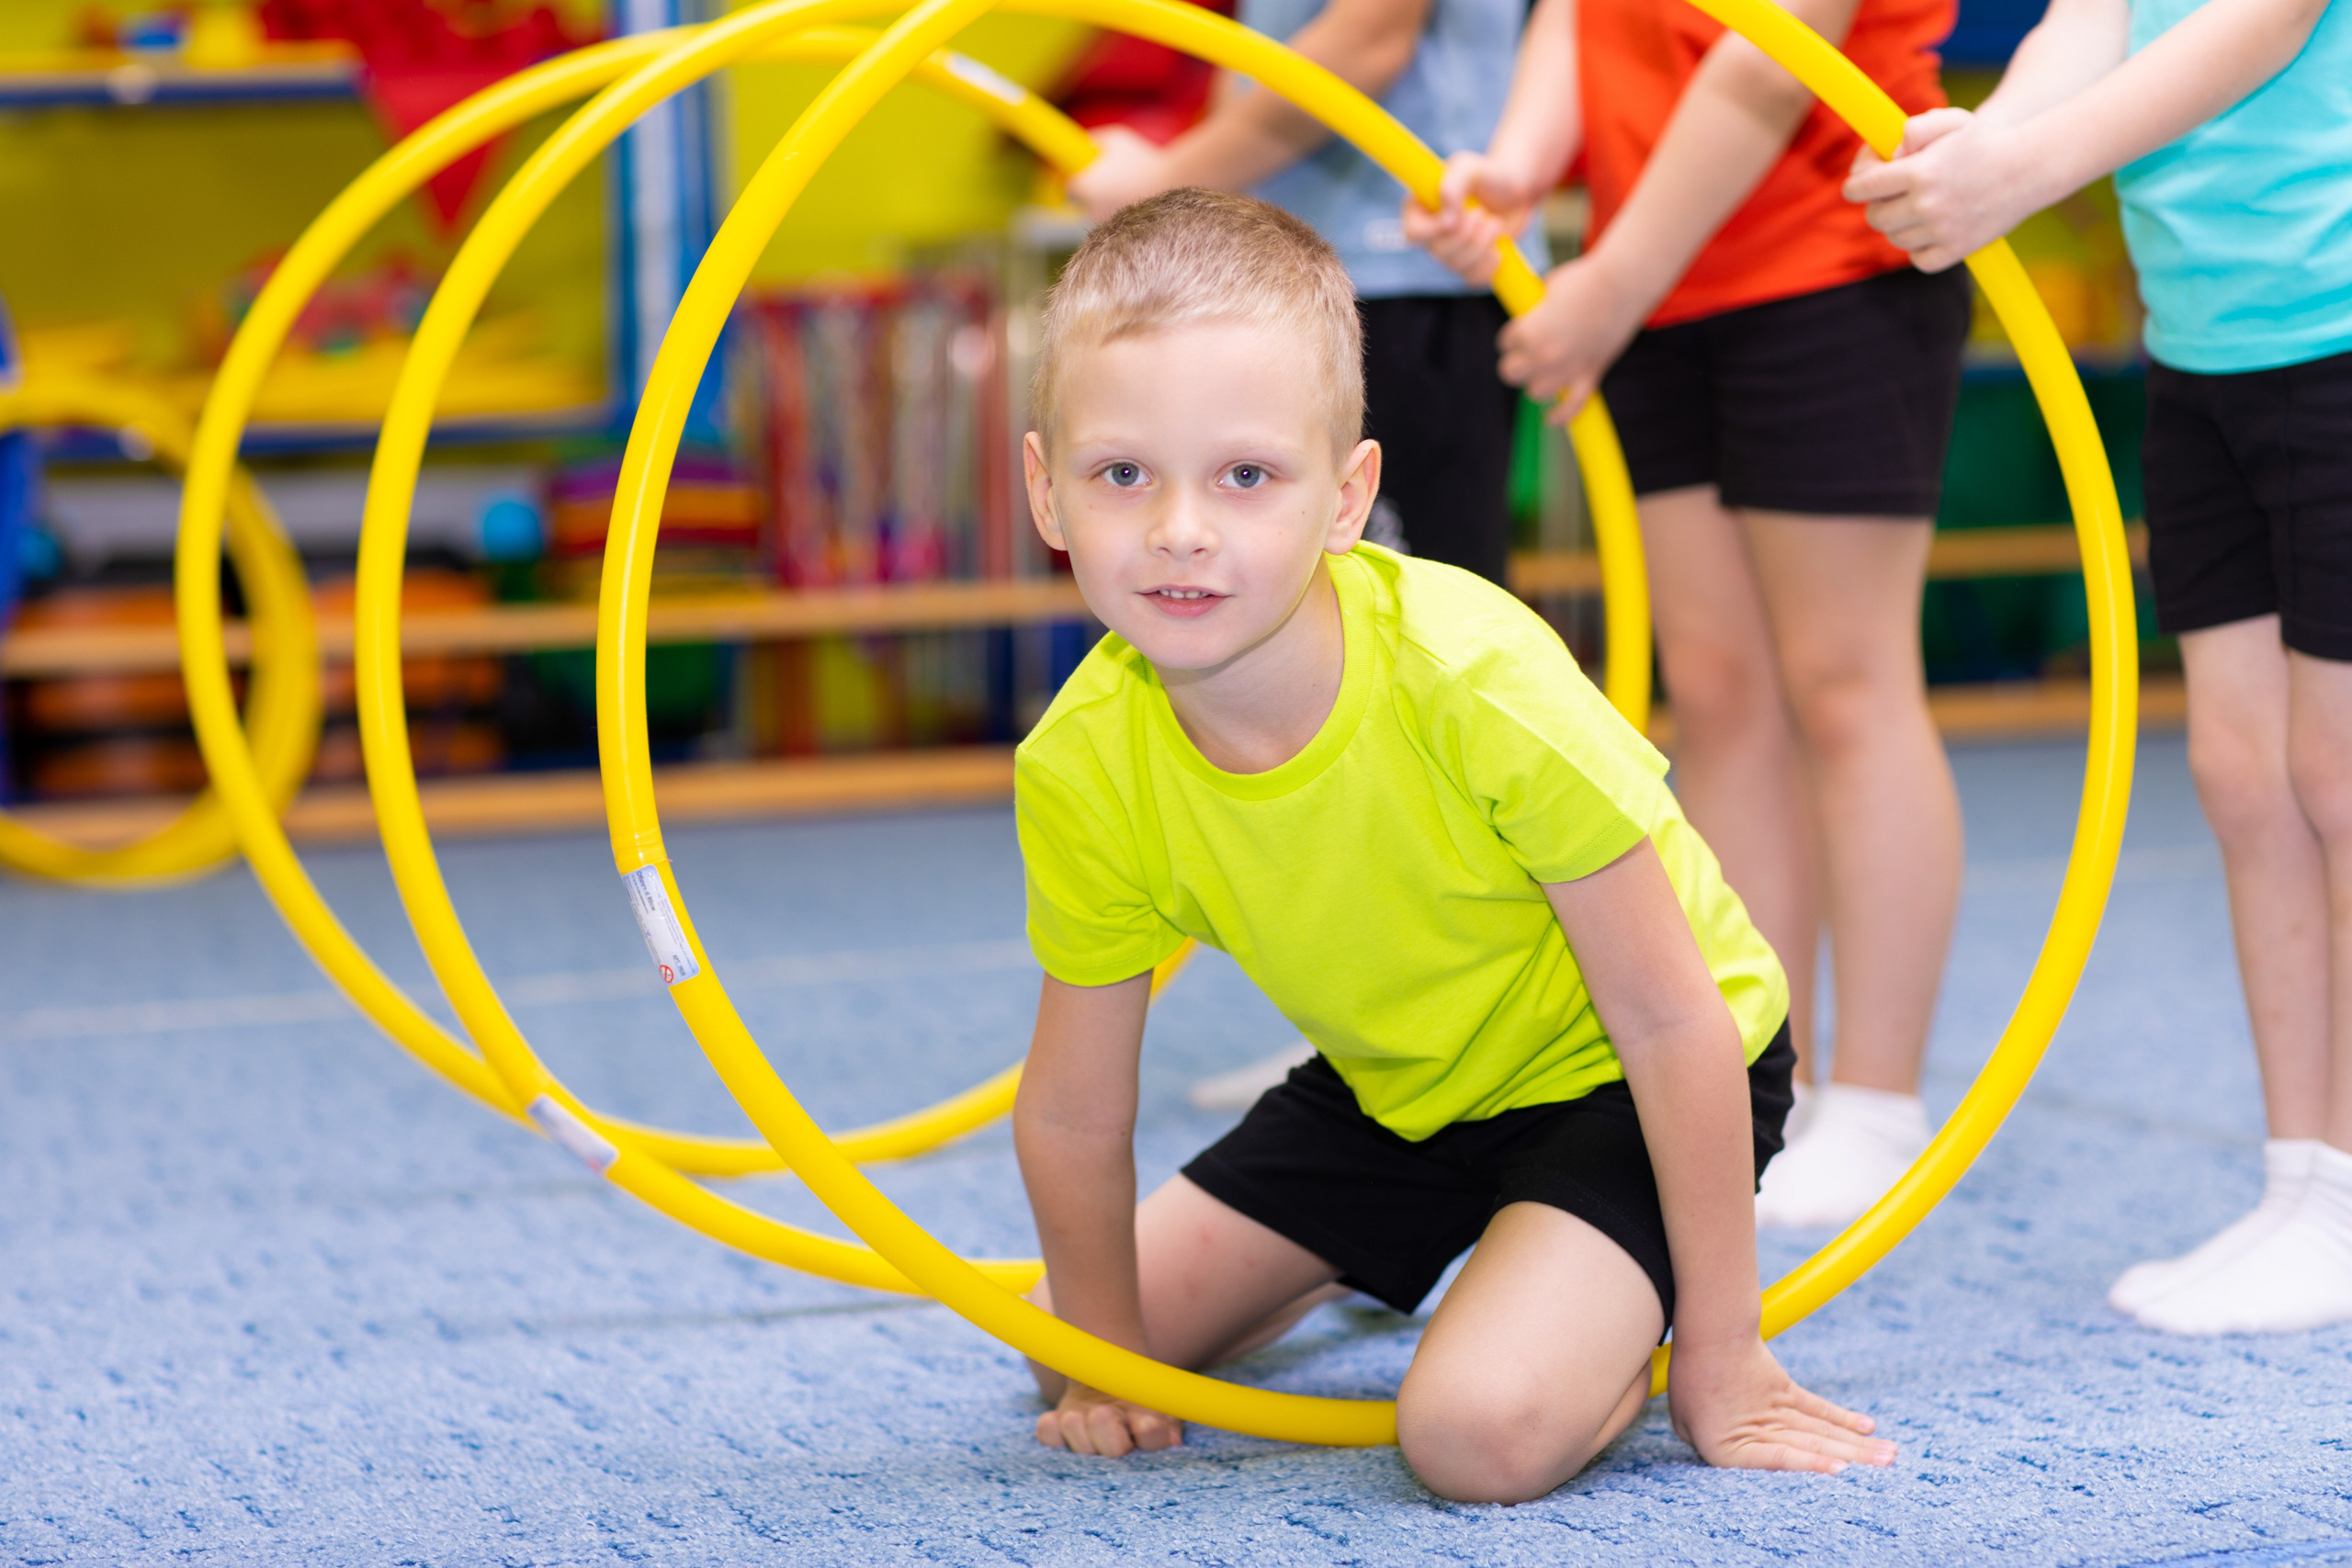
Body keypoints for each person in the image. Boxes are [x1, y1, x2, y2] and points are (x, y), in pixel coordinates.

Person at [1009, 188, 1894, 1498]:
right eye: (1122, 472)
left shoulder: (1471, 674)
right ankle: (1427, 1250)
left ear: (1345, 495)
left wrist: (1722, 1346)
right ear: (1047, 490)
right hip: (1400, 1084)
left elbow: (1669, 1017)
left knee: (1473, 1436)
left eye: (1246, 474)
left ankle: (1578, 1291)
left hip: (1623, 1073)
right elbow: (1075, 1106)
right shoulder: (1083, 760)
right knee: (1065, 1338)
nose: (1180, 528)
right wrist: (1103, 1369)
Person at [1401, 0, 1969, 1228]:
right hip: (1664, 281)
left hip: (1834, 255)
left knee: (1846, 679)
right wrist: (1519, 160)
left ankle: (1878, 1098)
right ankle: (1778, 1072)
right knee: (1716, 692)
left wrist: (1605, 284)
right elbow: (1573, 18)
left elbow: (1767, 60)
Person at [1847, 0, 2349, 1334]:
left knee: (2340, 776)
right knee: (2246, 777)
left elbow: (2255, 22)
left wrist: (2022, 168)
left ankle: (2347, 1193)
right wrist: (1986, 139)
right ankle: (2306, 1181)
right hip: (2208, 344)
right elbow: (2098, 15)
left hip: (2339, 326)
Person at [1063, 0, 1540, 589]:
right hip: (1322, 274)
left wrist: (1161, 183)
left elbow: (1367, 38)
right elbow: (1263, 51)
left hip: (1404, 270)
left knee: (1404, 609)